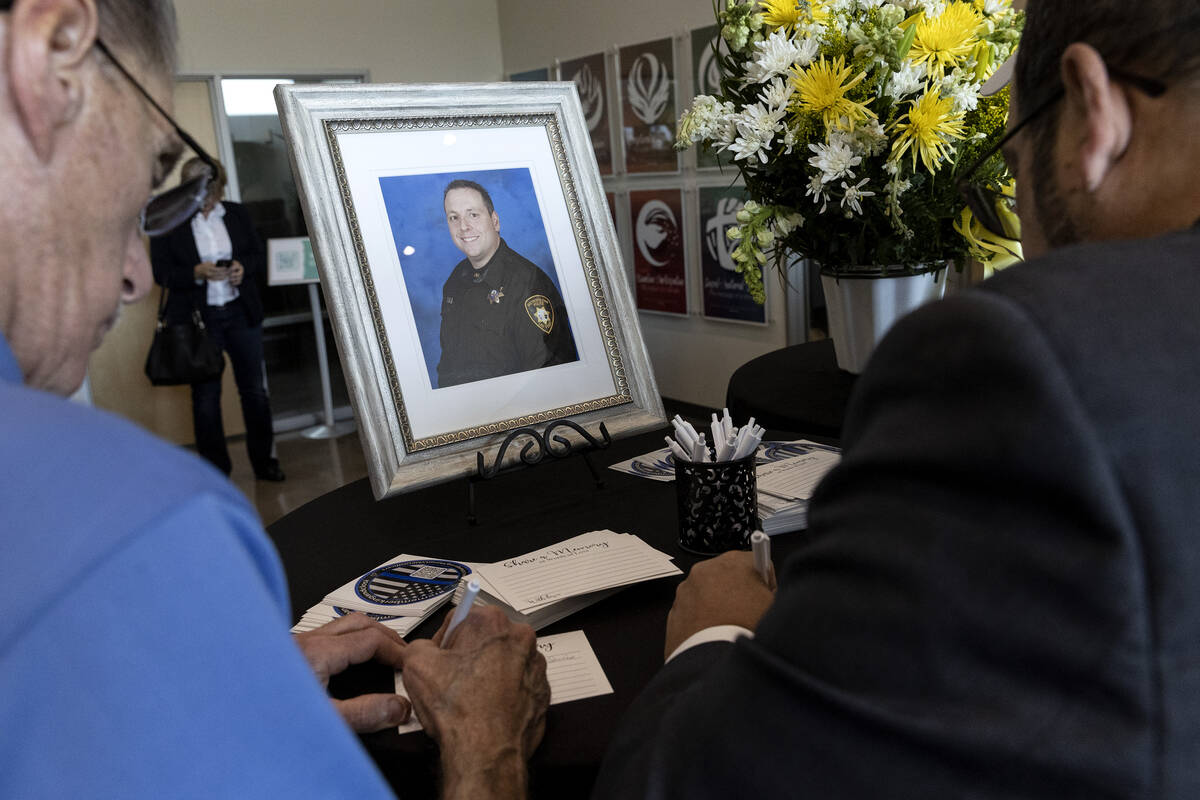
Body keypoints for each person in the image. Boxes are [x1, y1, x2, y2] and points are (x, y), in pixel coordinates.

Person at [594, 0, 1200, 796]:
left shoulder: (1024, 356)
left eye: (1014, 168)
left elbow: (683, 783)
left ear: (1092, 110)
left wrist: (715, 634)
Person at [0, 1, 548, 797]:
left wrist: (224, 698)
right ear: (51, 51)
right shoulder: (130, 532)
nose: (136, 272)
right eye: (154, 176)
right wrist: (487, 747)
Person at [149, 157, 284, 481]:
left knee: (254, 392)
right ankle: (216, 473)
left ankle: (265, 462)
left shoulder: (236, 213)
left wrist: (242, 268)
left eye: (212, 191)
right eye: (200, 192)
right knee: (206, 399)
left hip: (241, 313)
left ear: (220, 186)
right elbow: (161, 273)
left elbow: (256, 254)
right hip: (199, 321)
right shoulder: (170, 220)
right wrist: (195, 273)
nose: (208, 200)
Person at [437, 179, 578, 388]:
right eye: (453, 217)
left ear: (495, 221)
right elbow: (449, 365)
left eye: (473, 215)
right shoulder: (456, 281)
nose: (463, 226)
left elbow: (548, 380)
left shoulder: (529, 285)